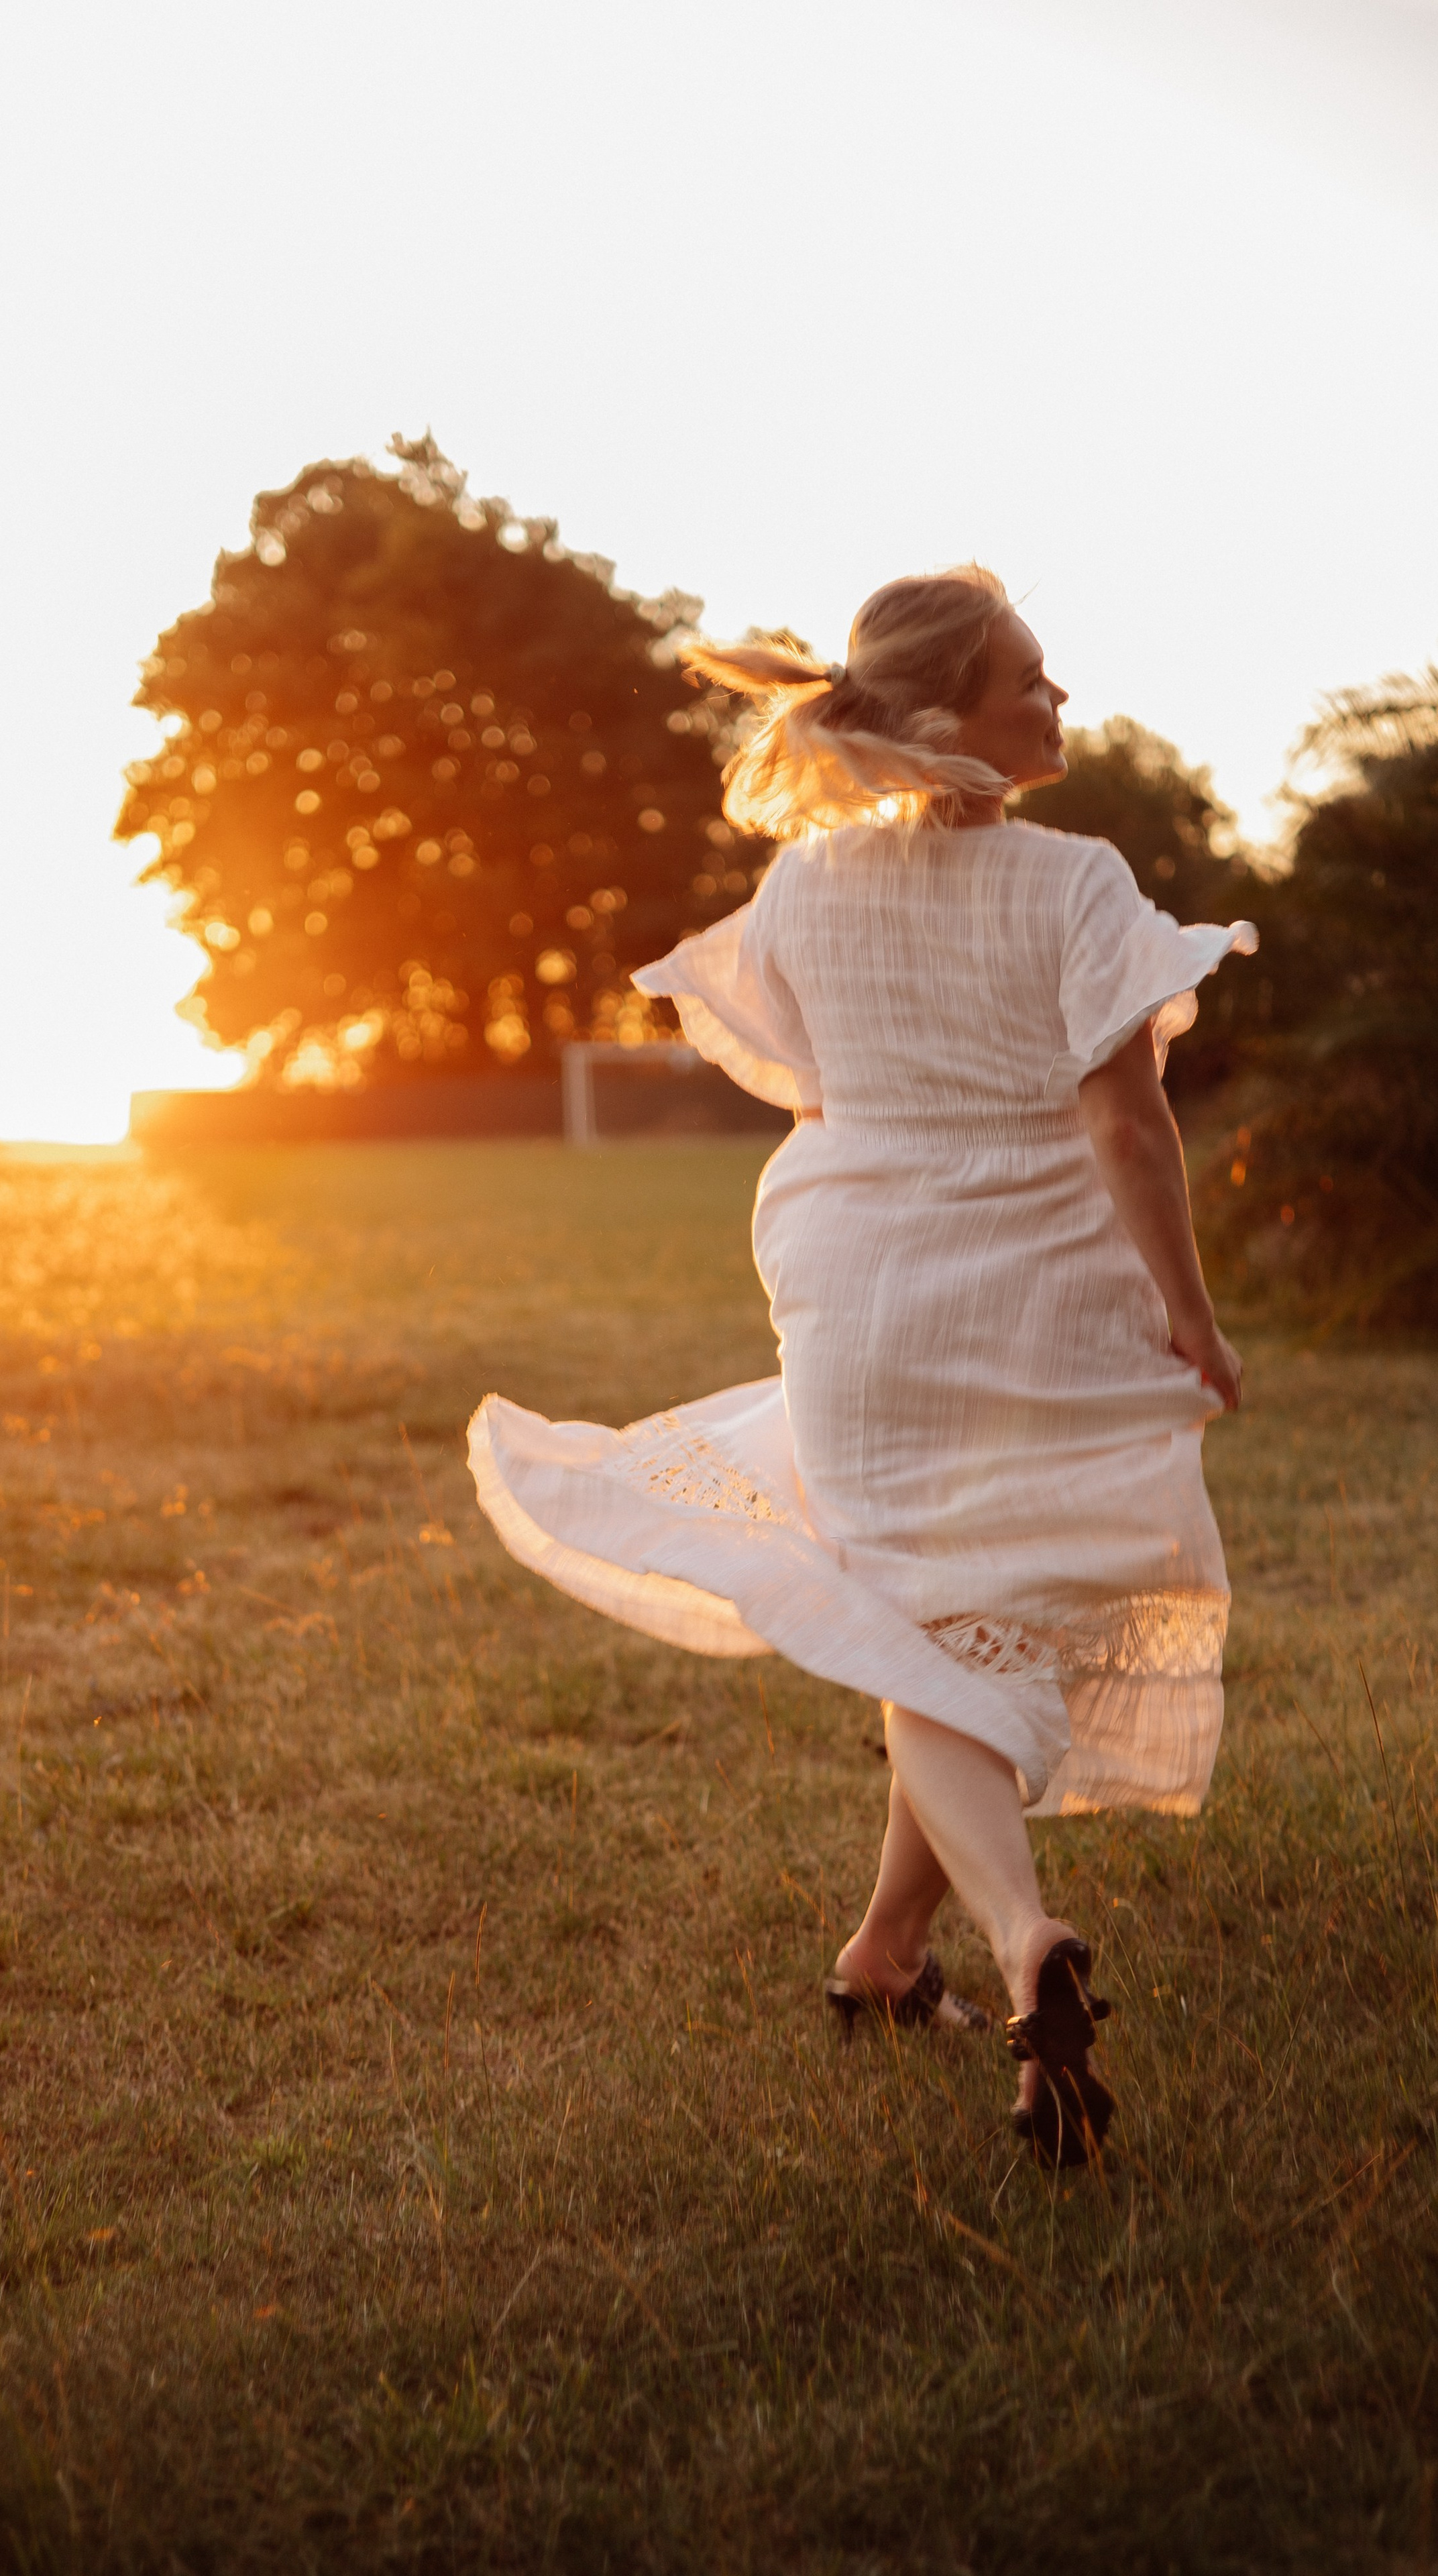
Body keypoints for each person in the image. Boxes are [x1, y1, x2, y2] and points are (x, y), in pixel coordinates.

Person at [468, 566, 1256, 2166]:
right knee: (956, 1636)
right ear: (939, 721)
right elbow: (1122, 1123)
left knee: (936, 1632)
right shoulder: (1078, 880)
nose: (1056, 699)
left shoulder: (808, 893)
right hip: (1033, 1285)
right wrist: (1191, 1309)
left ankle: (884, 1963)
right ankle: (1023, 1935)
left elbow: (819, 1086)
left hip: (858, 1285)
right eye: (1025, 680)